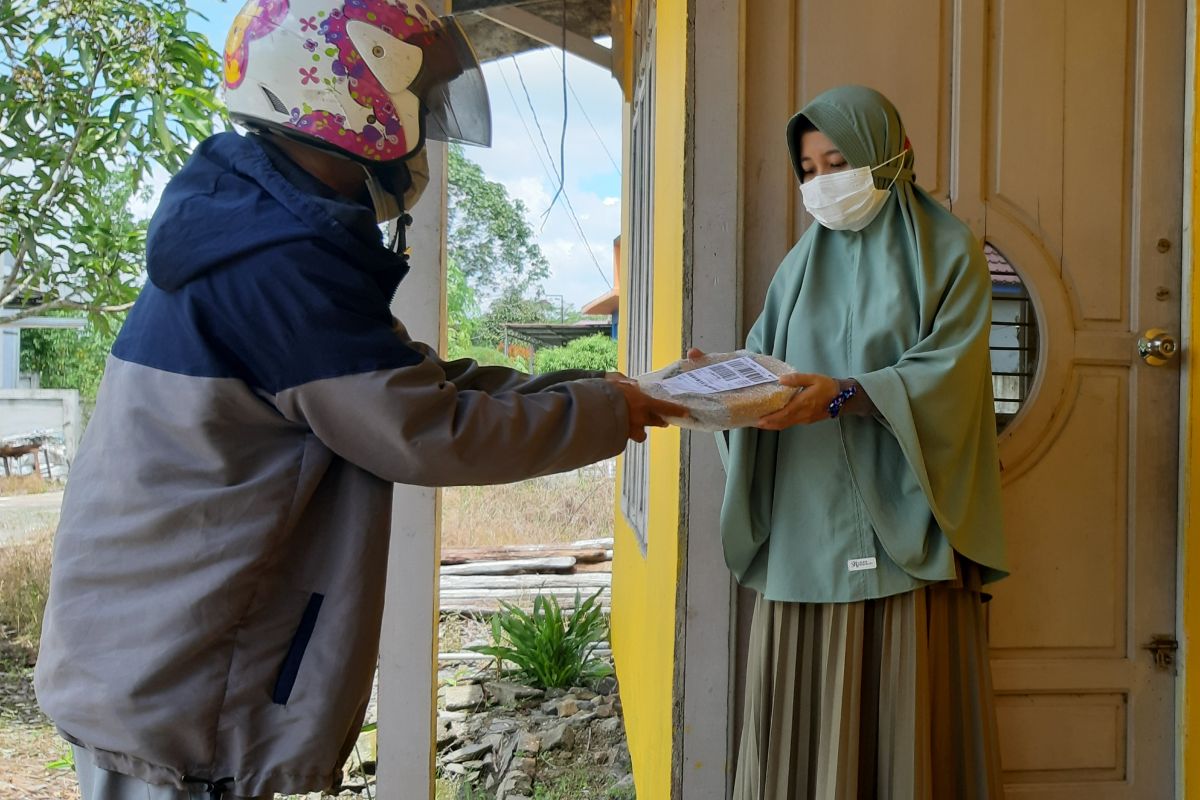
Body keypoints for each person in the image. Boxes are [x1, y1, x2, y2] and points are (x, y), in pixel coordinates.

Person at [33, 2, 685, 798]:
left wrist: (608, 391)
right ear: (348, 92)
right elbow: (424, 429)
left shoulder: (258, 226)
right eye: (419, 94)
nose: (427, 122)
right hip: (181, 682)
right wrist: (617, 411)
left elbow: (408, 381)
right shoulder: (277, 261)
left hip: (162, 652)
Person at [696, 85, 1009, 799]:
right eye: (807, 169)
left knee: (907, 731)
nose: (821, 183)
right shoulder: (798, 266)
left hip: (909, 523)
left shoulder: (949, 252)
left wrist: (843, 393)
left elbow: (951, 381)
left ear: (886, 152)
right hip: (808, 523)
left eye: (837, 160)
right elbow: (767, 364)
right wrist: (718, 385)